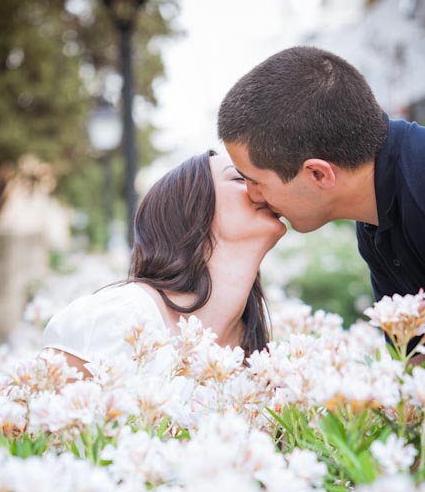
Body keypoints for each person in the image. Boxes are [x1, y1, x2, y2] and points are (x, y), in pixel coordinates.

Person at [217, 45, 425, 343]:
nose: (253, 196)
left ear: (318, 174)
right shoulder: (375, 217)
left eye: (254, 181)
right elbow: (418, 361)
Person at [40, 150, 286, 376]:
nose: (260, 186)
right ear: (191, 212)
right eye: (239, 178)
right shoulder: (118, 319)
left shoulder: (259, 358)